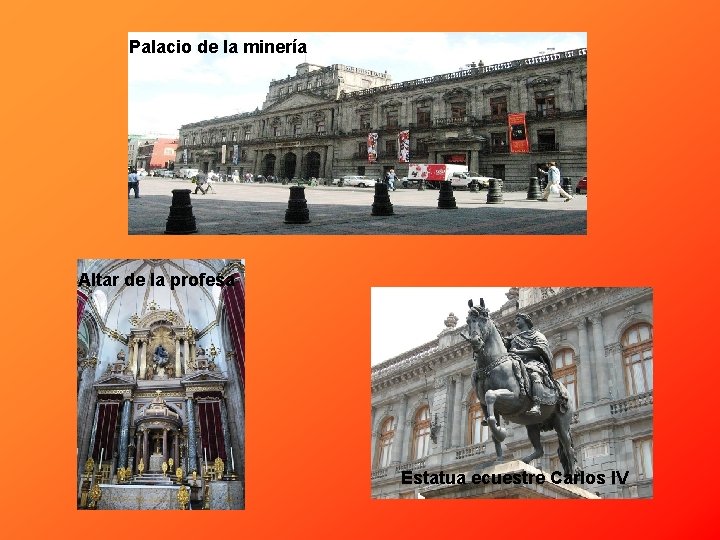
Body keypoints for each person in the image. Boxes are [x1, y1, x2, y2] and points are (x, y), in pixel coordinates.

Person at [503, 313, 555, 416]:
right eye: (515, 319)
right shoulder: (513, 338)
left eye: (518, 319)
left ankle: (537, 404)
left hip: (533, 362)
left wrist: (519, 352)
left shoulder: (537, 335)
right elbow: (501, 345)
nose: (516, 321)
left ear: (526, 320)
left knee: (534, 375)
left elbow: (539, 349)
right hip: (517, 363)